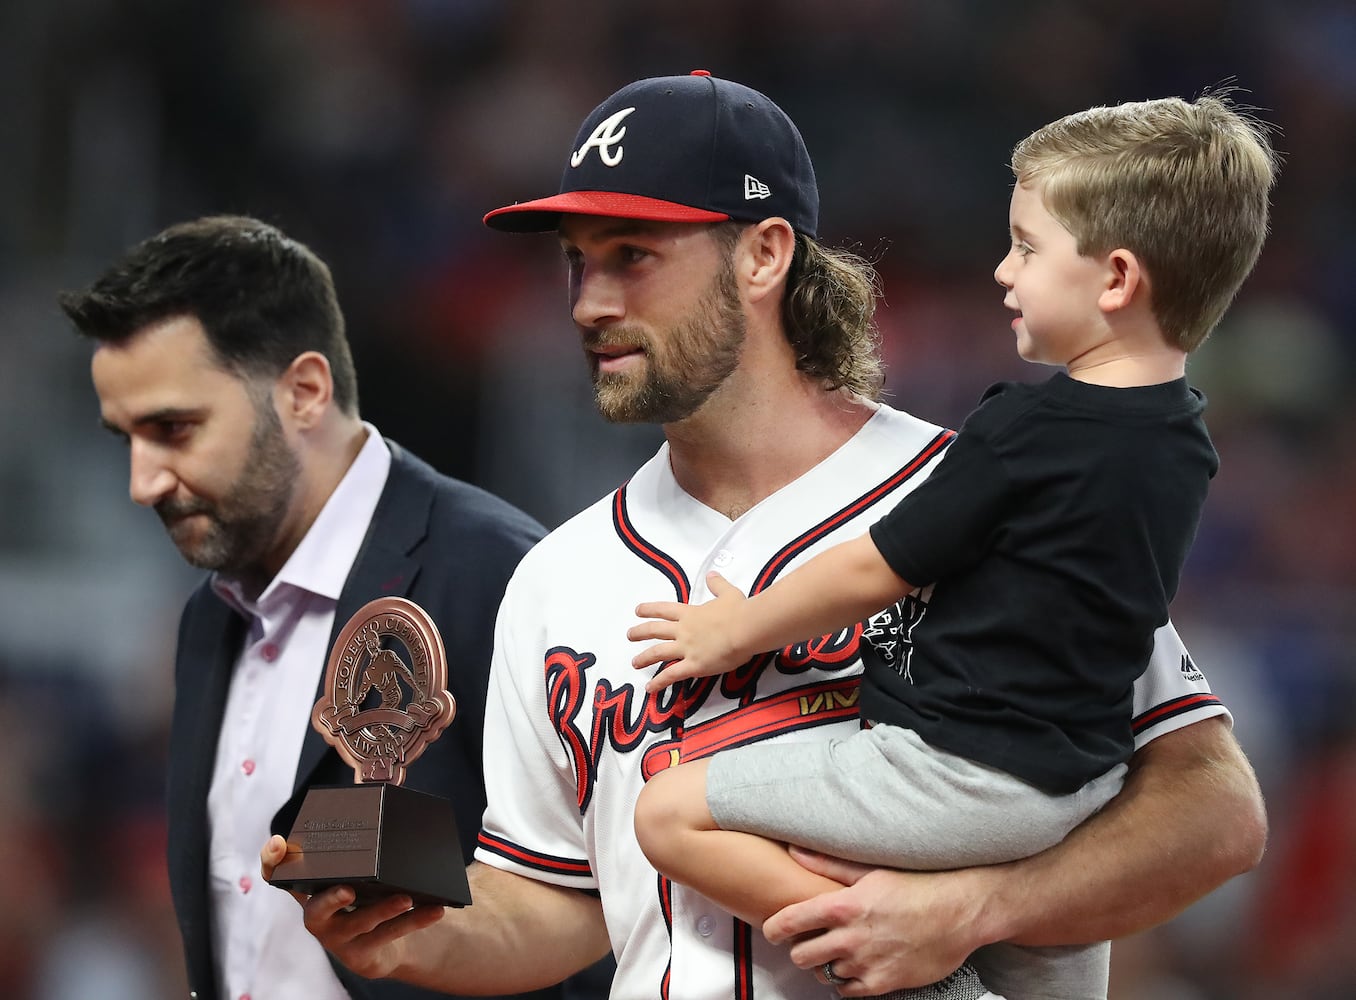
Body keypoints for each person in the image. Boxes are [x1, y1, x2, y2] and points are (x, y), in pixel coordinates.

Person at [261, 73, 1267, 1000]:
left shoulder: (978, 489)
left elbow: (1213, 811)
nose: (592, 302)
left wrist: (974, 912)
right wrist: (411, 937)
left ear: (765, 252)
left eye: (633, 257)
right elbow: (564, 903)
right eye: (577, 263)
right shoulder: (556, 579)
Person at [624, 92, 1278, 999]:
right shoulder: (1185, 443)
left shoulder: (1027, 430)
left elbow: (876, 566)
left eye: (1027, 246)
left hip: (951, 772)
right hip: (1080, 797)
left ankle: (917, 974)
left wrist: (738, 629)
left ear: (1118, 279)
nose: (1004, 270)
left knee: (669, 813)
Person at [59, 215, 615, 1000]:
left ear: (304, 392)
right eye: (127, 440)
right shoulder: (205, 620)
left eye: (174, 429)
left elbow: (614, 907)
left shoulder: (503, 578)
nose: (143, 481)